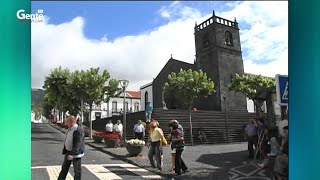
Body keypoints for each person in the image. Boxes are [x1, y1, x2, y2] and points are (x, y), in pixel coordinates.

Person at [57, 116, 85, 180]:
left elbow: (78, 143)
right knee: (64, 168)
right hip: (68, 151)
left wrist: (72, 154)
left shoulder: (78, 130)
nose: (66, 123)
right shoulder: (70, 128)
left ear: (72, 122)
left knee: (77, 171)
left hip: (75, 153)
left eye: (67, 121)